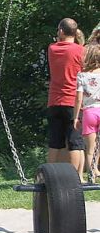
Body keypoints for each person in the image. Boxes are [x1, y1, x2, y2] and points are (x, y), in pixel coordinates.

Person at [46, 18, 85, 176]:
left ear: (61, 31)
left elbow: (58, 42)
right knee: (74, 142)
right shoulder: (81, 50)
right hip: (73, 101)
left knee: (55, 142)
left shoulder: (52, 48)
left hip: (55, 101)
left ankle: (49, 176)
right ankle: (74, 177)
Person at [75, 43, 100, 183]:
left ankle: (91, 174)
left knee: (90, 148)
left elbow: (78, 98)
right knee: (98, 145)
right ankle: (95, 168)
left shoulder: (82, 75)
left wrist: (76, 116)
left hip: (89, 112)